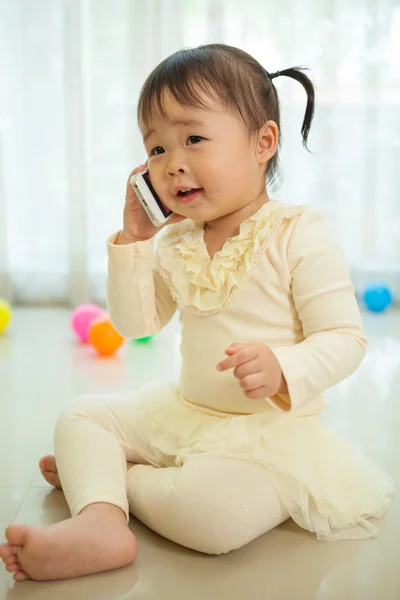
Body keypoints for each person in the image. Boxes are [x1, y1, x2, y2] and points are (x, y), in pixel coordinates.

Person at [1, 44, 394, 582]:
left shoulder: (297, 232)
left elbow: (346, 338)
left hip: (270, 436)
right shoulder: (174, 241)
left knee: (215, 516)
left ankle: (114, 481)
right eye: (156, 149)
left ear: (263, 142)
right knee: (81, 415)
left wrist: (285, 368)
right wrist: (135, 240)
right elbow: (138, 325)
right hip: (185, 413)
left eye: (192, 138)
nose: (172, 162)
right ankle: (102, 519)